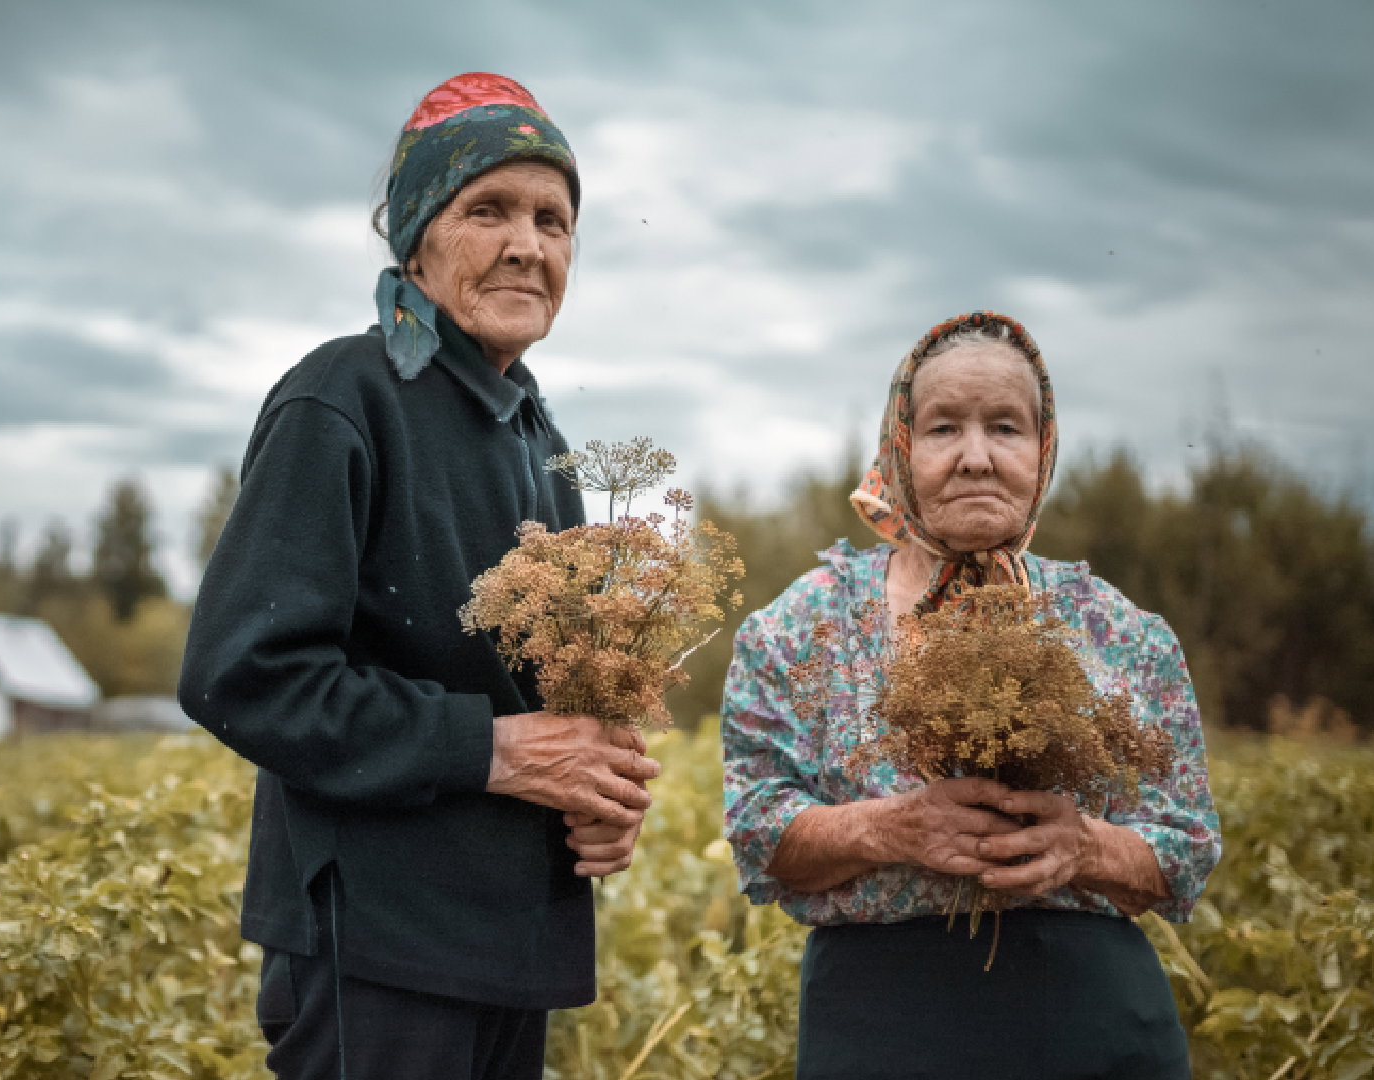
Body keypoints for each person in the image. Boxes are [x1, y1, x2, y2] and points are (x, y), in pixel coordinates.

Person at [179, 73, 658, 1080]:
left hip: (509, 951)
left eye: (553, 219)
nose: (529, 243)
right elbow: (243, 673)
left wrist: (596, 791)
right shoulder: (342, 398)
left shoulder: (541, 438)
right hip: (377, 951)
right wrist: (491, 751)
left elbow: (544, 710)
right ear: (416, 241)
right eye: (488, 209)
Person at [721, 311, 1222, 1079]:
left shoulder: (1124, 633)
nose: (976, 458)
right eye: (945, 427)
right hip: (881, 1027)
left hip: (1094, 1029)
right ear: (901, 446)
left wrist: (1083, 846)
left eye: (1006, 428)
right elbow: (760, 835)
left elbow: (1185, 849)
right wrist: (892, 827)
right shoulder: (800, 628)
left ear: (1043, 447)